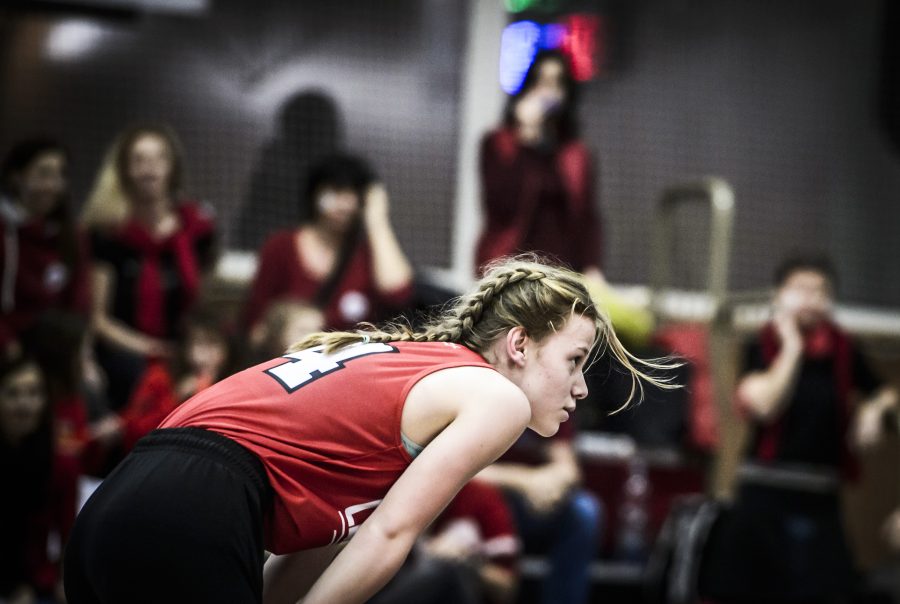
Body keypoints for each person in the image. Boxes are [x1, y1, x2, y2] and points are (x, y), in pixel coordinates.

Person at [64, 256, 675, 604]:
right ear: (518, 344)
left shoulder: (402, 359)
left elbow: (317, 551)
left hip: (120, 506)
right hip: (196, 509)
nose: (582, 388)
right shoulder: (496, 397)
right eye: (574, 361)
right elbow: (388, 535)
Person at [700, 253, 899, 604]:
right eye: (800, 289)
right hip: (764, 490)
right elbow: (764, 406)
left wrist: (875, 407)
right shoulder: (762, 345)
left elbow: (884, 390)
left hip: (821, 494)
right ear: (778, 295)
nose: (811, 299)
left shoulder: (842, 349)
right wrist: (792, 347)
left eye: (820, 291)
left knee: (830, 588)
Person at [80, 124, 217, 408]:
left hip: (183, 349)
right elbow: (99, 320)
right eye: (139, 160)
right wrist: (151, 349)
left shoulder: (197, 229)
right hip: (126, 351)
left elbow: (203, 306)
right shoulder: (108, 234)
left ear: (172, 167)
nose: (149, 168)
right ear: (125, 170)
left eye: (159, 158)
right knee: (140, 380)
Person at [241, 153, 413, 332]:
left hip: (351, 349)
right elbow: (254, 322)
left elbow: (398, 295)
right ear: (314, 194)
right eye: (336, 191)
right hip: (291, 349)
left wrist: (377, 220)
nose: (346, 204)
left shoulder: (366, 256)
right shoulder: (280, 246)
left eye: (355, 194)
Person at [475, 50, 602, 281]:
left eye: (556, 83)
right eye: (541, 81)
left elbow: (587, 218)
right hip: (508, 264)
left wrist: (591, 264)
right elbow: (498, 205)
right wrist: (526, 135)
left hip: (562, 268)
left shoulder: (576, 154)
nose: (547, 92)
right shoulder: (499, 143)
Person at [0, 138, 91, 358]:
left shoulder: (71, 234)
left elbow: (79, 302)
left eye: (60, 175)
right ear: (16, 177)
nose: (52, 185)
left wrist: (81, 351)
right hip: (9, 344)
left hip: (56, 346)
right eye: (43, 174)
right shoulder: (5, 230)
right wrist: (7, 344)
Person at [0, 353, 78, 604]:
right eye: (12, 393)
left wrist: (63, 581)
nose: (24, 405)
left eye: (33, 393)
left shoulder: (61, 464)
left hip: (35, 582)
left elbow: (68, 533)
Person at [368, 479, 520, 604]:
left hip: (463, 589)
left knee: (445, 569)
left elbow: (506, 588)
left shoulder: (480, 496)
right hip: (398, 584)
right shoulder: (394, 495)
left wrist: (466, 561)